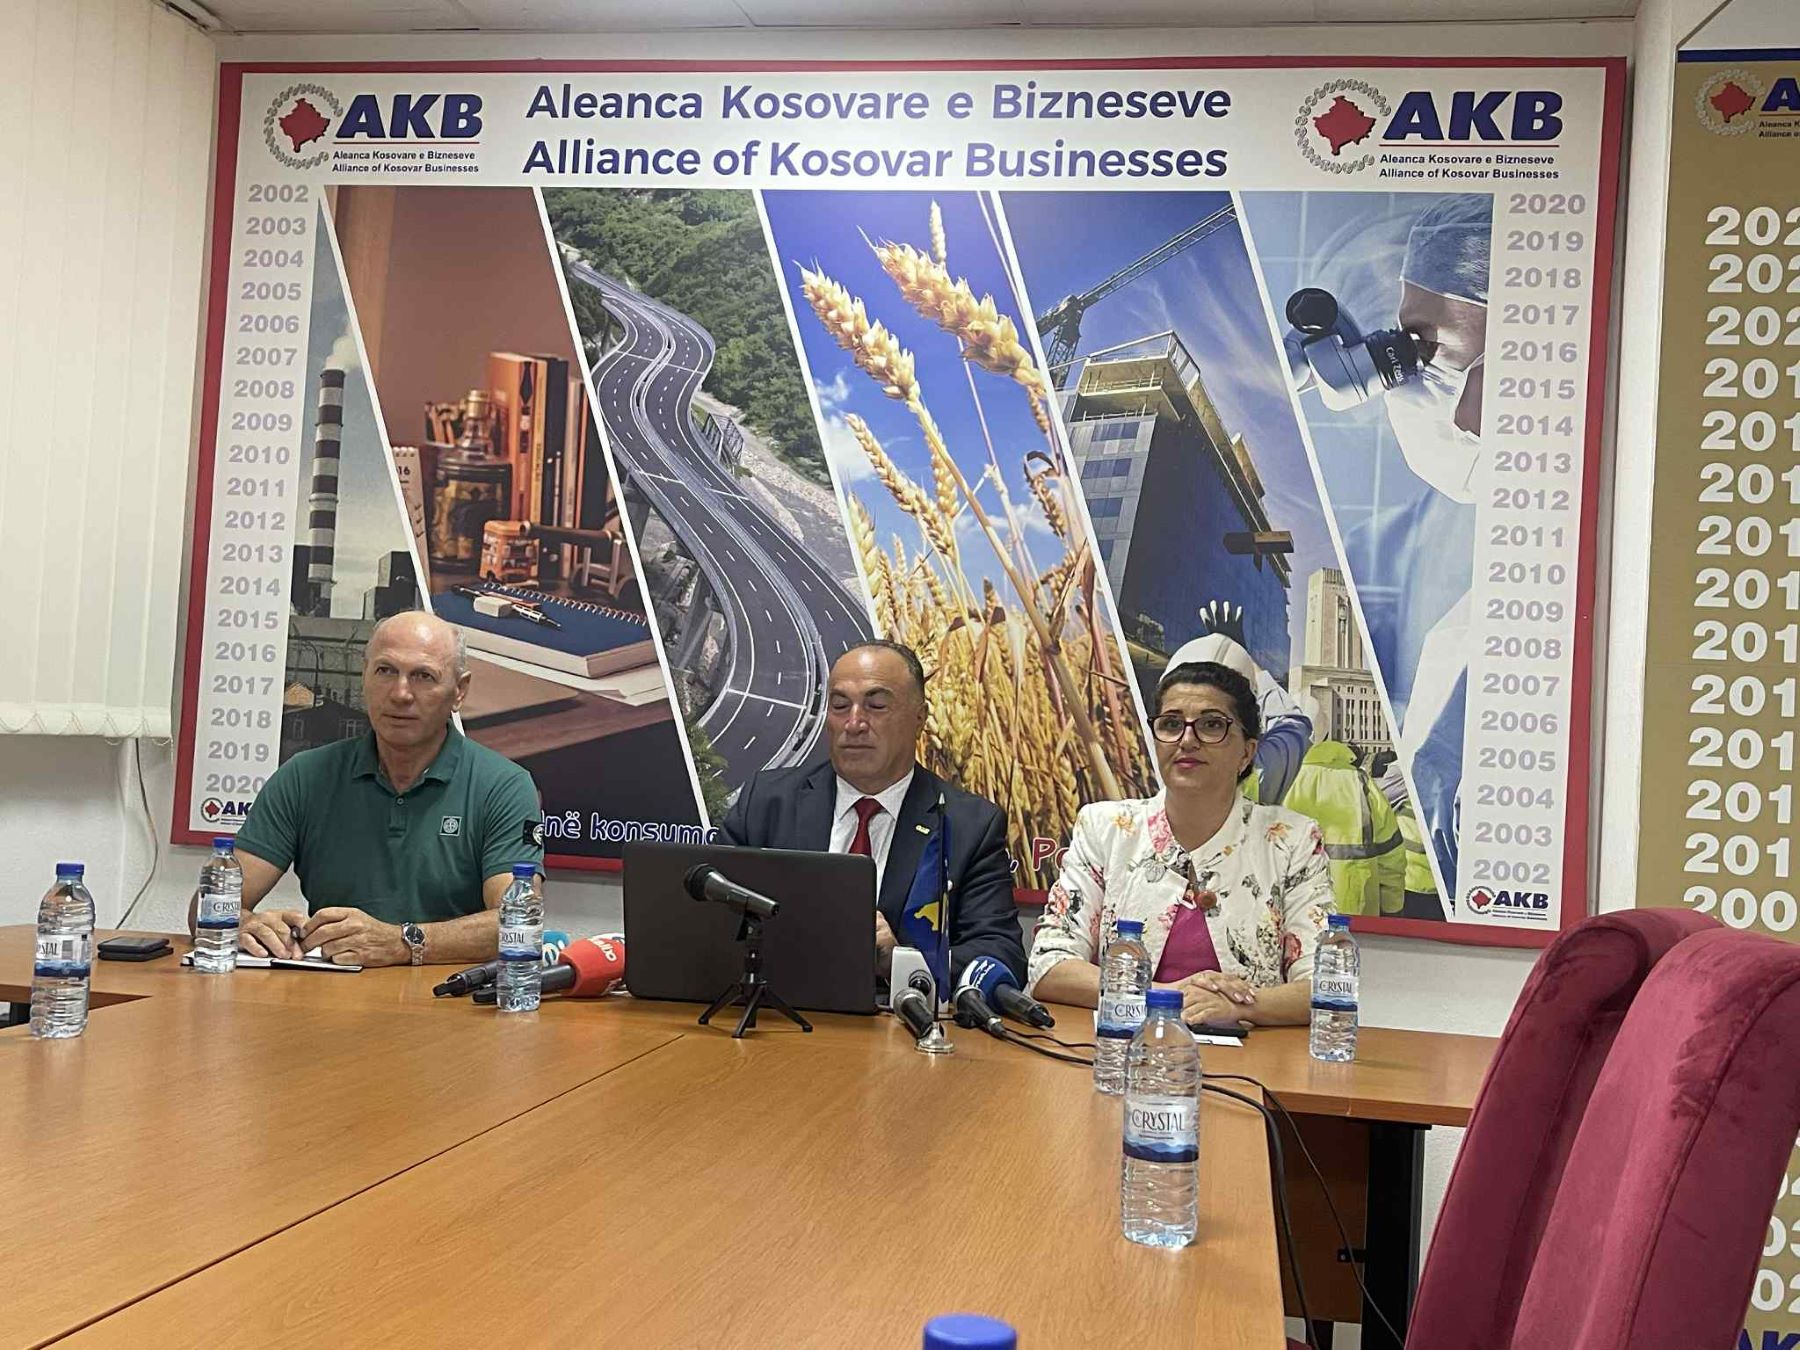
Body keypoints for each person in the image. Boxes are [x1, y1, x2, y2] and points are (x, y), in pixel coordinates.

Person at [190, 610, 544, 966]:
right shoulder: (305, 776)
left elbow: (516, 923)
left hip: (450, 1003)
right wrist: (247, 925)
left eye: (423, 676)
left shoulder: (503, 786)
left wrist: (402, 943)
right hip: (328, 1001)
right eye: (386, 671)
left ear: (459, 691)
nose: (401, 693)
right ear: (365, 676)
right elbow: (206, 909)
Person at [1029, 661, 1335, 1027]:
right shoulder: (1105, 828)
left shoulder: (1291, 840)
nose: (1187, 740)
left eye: (1211, 725)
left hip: (1251, 1063)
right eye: (1172, 724)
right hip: (1120, 1053)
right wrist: (1164, 995)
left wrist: (1240, 1007)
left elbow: (1326, 985)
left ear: (1247, 752)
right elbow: (1049, 967)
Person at [719, 640, 1026, 985]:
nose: (854, 723)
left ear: (920, 718)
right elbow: (709, 920)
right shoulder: (767, 802)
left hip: (897, 1027)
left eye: (876, 706)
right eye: (839, 706)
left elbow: (1000, 955)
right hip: (777, 1015)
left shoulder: (969, 826)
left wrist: (901, 962)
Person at [1282, 739, 1404, 917]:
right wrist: (1392, 909)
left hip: (1293, 909)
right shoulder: (1360, 782)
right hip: (1355, 912)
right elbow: (1391, 854)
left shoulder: (1283, 780)